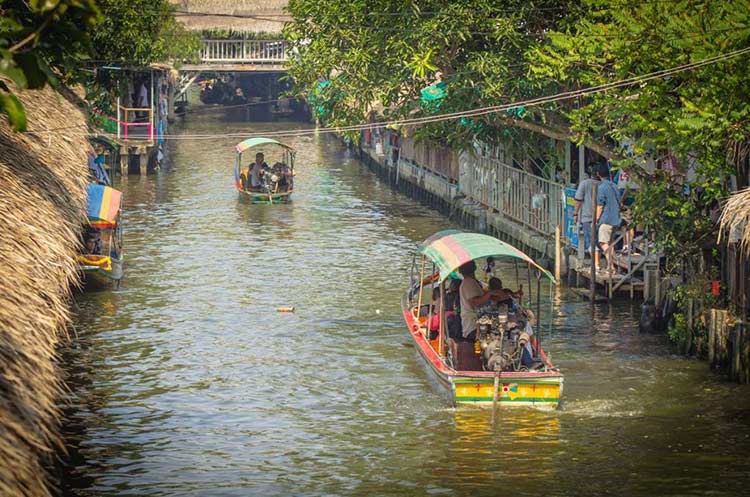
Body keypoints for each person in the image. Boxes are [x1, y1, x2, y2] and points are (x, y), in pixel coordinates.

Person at [595, 163, 621, 274]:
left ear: (598, 174)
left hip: (606, 219)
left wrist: (596, 219)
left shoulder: (601, 187)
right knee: (610, 243)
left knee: (602, 243)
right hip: (616, 218)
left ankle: (611, 265)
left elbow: (600, 205)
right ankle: (611, 267)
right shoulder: (615, 186)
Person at [573, 166, 598, 256]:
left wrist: (575, 214)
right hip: (601, 218)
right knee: (599, 242)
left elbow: (578, 200)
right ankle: (597, 264)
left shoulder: (584, 184)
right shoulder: (604, 184)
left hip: (587, 217)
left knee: (591, 242)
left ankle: (595, 264)